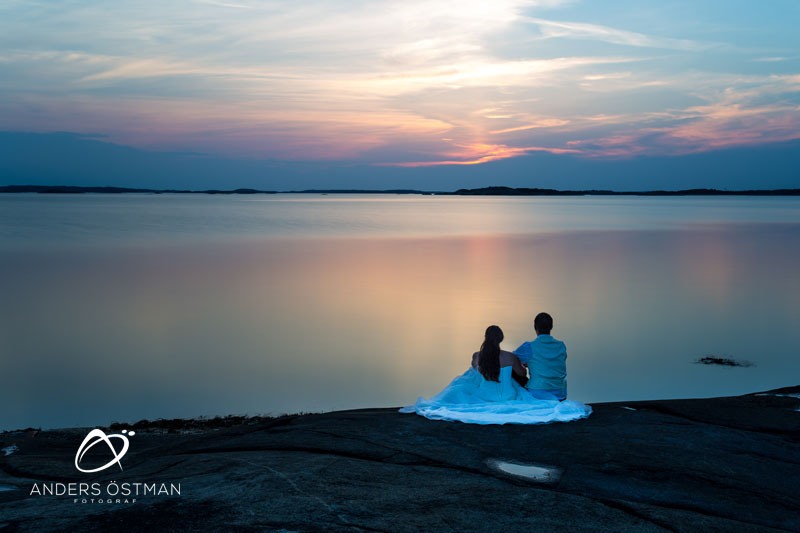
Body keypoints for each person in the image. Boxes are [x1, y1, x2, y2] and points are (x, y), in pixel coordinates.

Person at [399, 324, 591, 425]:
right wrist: (523, 364)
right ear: (501, 339)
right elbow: (521, 374)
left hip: (484, 396)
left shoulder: (476, 356)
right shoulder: (509, 357)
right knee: (516, 384)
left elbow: (474, 373)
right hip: (507, 395)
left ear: (486, 338)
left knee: (463, 384)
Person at [513, 312, 567, 401]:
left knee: (511, 369)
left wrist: (523, 363)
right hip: (560, 393)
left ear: (535, 328)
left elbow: (510, 359)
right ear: (551, 327)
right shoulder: (561, 346)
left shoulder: (528, 347)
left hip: (537, 393)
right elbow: (551, 363)